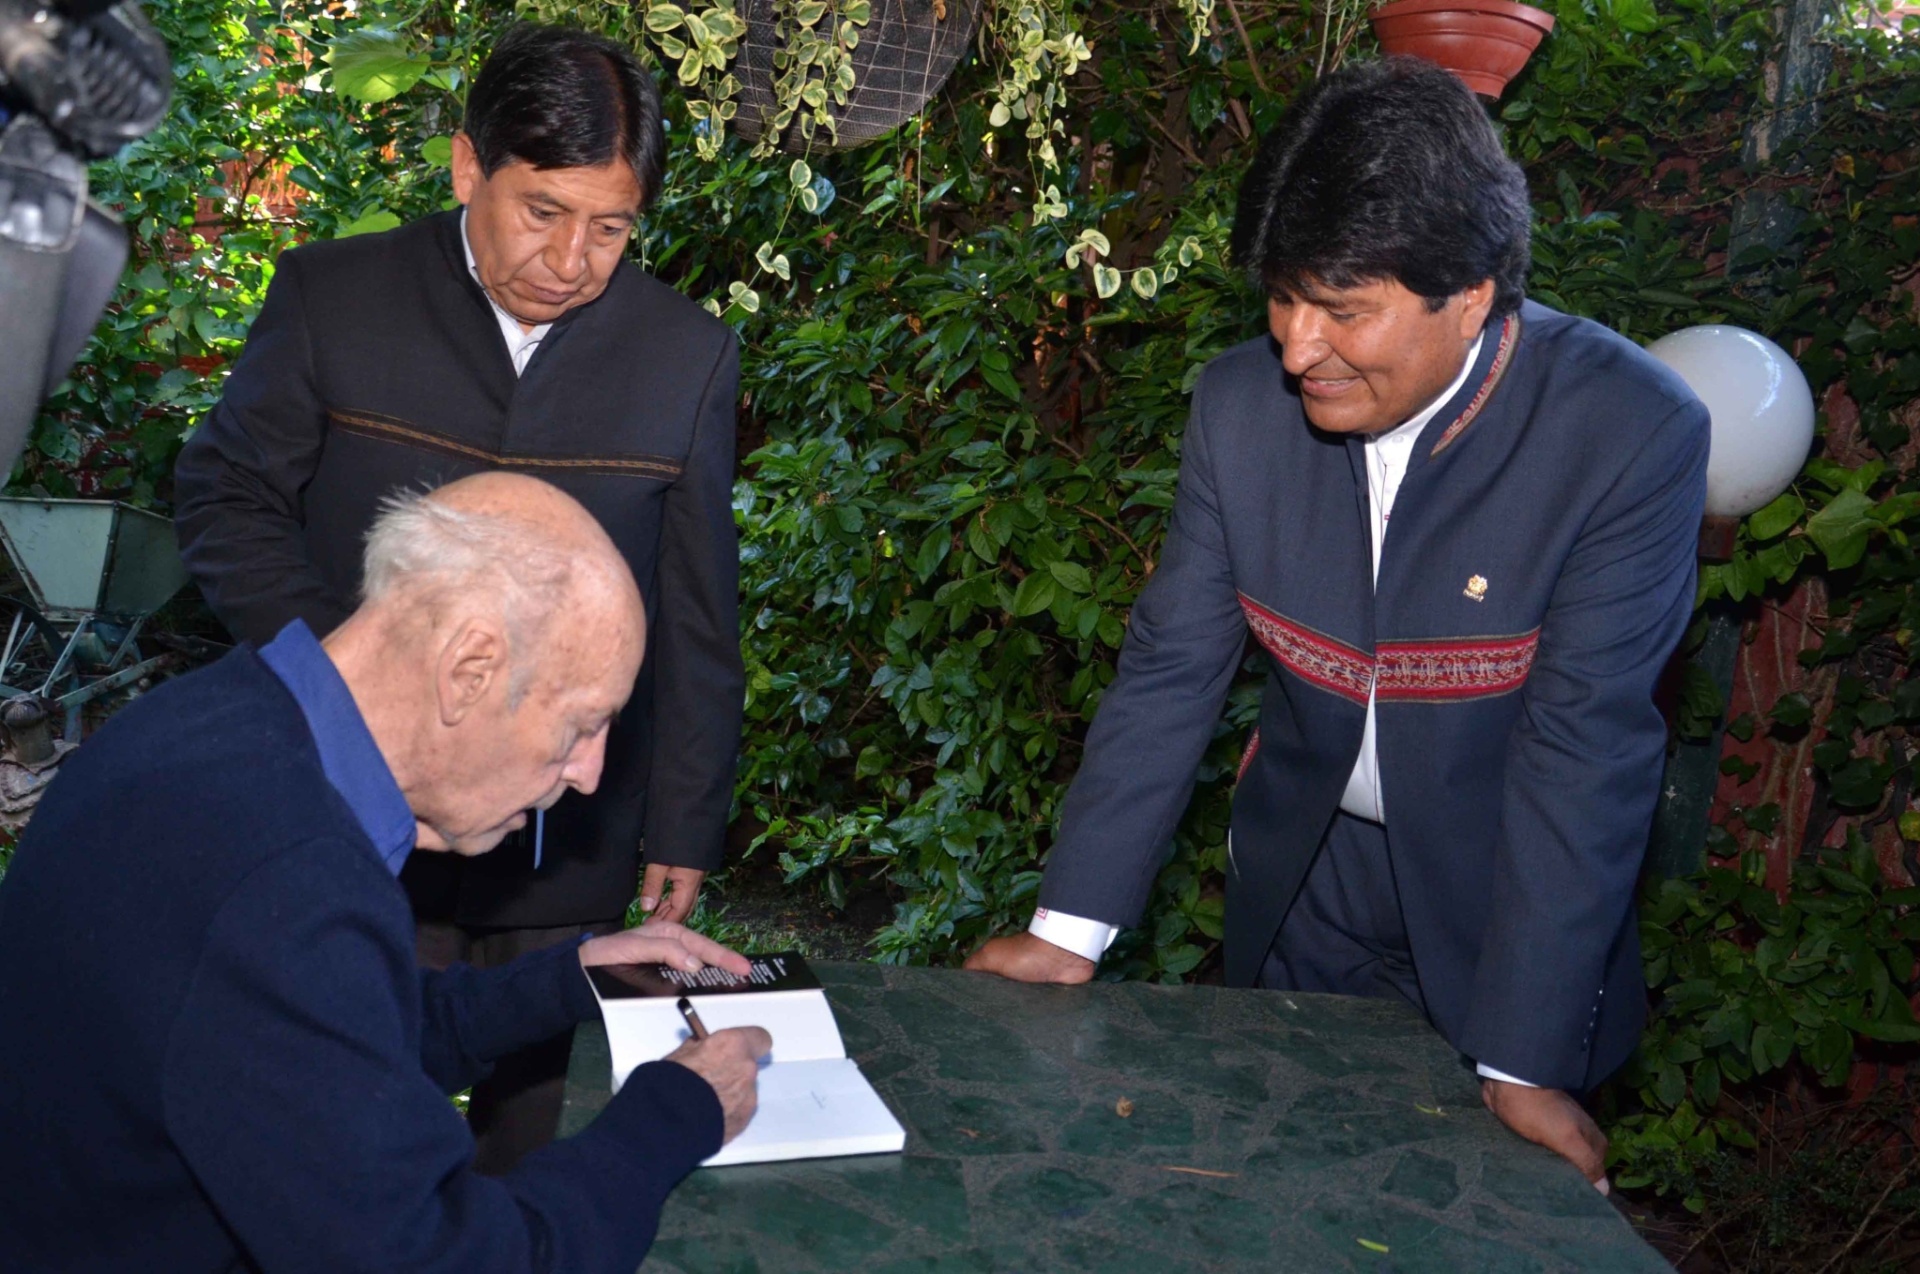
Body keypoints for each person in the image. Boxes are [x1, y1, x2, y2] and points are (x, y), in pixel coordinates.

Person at [966, 58, 1710, 1191]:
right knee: (1277, 1182)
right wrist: (1071, 928)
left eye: (1345, 310)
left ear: (1470, 296)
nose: (1298, 346)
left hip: (1505, 890)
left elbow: (1587, 751)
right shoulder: (1236, 411)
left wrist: (1521, 1057)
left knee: (1459, 1208)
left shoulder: (1627, 435)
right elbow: (1172, 671)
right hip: (1309, 876)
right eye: (1281, 294)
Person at [170, 22, 744, 1170]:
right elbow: (226, 494)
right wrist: (353, 677)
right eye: (543, 211)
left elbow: (696, 610)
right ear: (469, 168)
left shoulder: (688, 356)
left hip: (563, 829)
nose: (574, 259)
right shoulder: (336, 296)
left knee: (528, 1133)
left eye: (612, 226)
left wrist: (684, 815)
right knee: (327, 1123)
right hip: (345, 813)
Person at [0, 474, 770, 1271]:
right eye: (582, 723)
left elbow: (328, 1042)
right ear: (469, 669)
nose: (589, 773)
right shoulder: (284, 881)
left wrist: (570, 979)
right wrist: (677, 1111)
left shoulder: (205, 724)